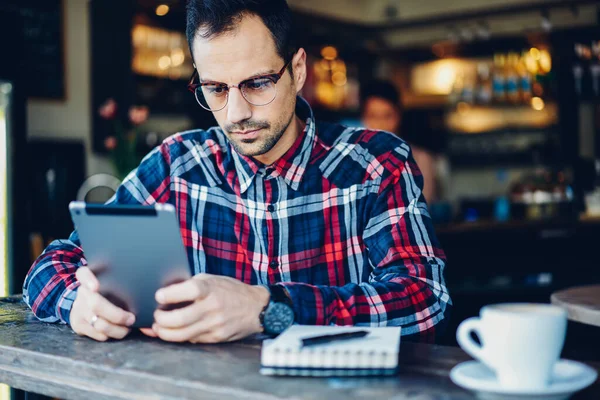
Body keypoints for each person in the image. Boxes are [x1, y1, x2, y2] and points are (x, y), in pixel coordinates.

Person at [23, 0, 450, 344]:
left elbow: (425, 300)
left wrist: (267, 309)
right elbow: (48, 268)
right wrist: (78, 303)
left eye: (258, 83)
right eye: (215, 89)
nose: (237, 113)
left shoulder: (375, 164)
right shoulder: (177, 166)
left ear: (297, 71)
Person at [361, 80, 438, 203]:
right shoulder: (353, 161)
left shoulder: (420, 159)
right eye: (373, 116)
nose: (380, 125)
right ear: (363, 118)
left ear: (398, 116)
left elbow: (421, 206)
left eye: (387, 116)